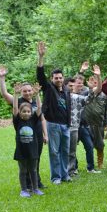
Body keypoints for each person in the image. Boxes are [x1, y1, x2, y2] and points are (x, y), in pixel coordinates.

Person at [0, 65, 47, 188]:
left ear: (33, 91)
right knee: (25, 159)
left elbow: (42, 118)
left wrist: (45, 134)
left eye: (29, 90)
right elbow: (4, 94)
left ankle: (36, 182)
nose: (27, 92)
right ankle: (28, 184)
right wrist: (2, 77)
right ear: (21, 92)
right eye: (24, 91)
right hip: (24, 137)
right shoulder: (18, 101)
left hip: (37, 136)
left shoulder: (36, 102)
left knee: (36, 158)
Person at [37, 41, 72, 185]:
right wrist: (41, 57)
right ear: (52, 79)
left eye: (60, 77)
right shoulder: (49, 89)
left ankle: (65, 175)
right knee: (54, 152)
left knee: (65, 152)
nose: (58, 79)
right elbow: (40, 76)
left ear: (63, 79)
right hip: (52, 125)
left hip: (65, 126)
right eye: (56, 78)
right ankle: (56, 177)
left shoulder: (67, 91)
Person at [13, 83, 44, 197]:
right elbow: (15, 108)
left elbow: (40, 108)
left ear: (31, 113)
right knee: (23, 170)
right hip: (21, 151)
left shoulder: (33, 120)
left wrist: (37, 95)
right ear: (20, 114)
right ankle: (24, 190)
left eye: (28, 111)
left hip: (33, 150)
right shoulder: (18, 121)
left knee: (33, 170)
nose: (26, 113)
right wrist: (16, 94)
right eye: (24, 111)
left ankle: (35, 189)